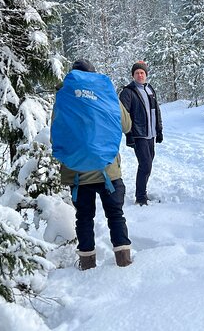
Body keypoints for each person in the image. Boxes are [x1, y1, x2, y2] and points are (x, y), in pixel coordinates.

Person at [59, 59, 133, 271]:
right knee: (116, 215)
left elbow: (57, 132)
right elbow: (126, 125)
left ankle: (87, 264)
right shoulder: (106, 92)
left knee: (83, 218)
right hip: (107, 169)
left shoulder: (64, 96)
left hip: (76, 171)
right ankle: (124, 260)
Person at [119, 61, 163, 206]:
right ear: (133, 75)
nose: (140, 75)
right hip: (138, 135)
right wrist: (129, 134)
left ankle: (142, 193)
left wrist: (159, 130)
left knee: (148, 164)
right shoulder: (128, 92)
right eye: (137, 73)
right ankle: (140, 197)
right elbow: (123, 115)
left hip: (151, 134)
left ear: (146, 74)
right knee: (145, 165)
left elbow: (156, 111)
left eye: (142, 72)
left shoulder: (149, 89)